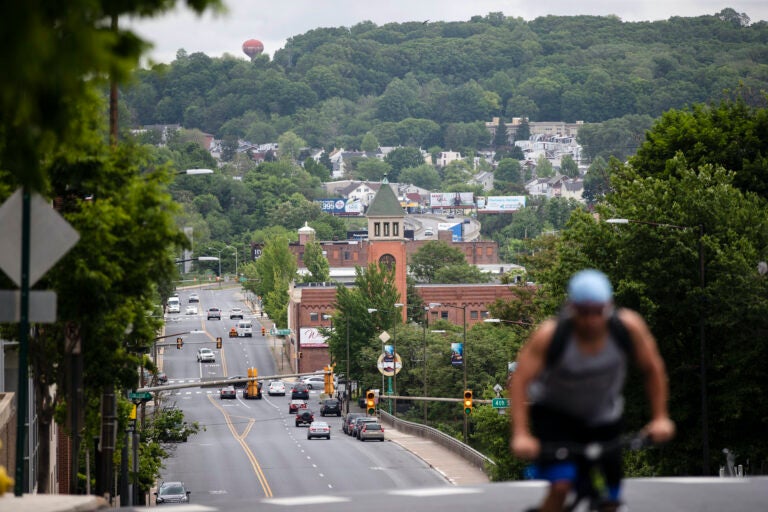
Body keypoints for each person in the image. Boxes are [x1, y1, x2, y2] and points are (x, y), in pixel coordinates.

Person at [509, 269, 675, 512]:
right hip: (557, 418)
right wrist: (521, 434)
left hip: (603, 417)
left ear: (609, 306)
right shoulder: (550, 335)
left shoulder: (627, 328)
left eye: (598, 312)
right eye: (583, 313)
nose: (591, 321)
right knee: (561, 487)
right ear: (571, 308)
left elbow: (653, 369)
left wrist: (660, 418)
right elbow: (521, 380)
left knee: (609, 498)